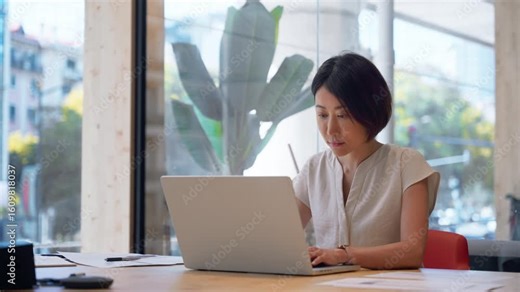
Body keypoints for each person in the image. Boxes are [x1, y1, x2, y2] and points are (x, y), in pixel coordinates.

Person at [293, 52, 440, 269]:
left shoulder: (406, 164)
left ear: (369, 112)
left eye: (342, 116)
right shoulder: (314, 169)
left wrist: (344, 255)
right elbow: (278, 239)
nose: (330, 130)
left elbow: (412, 252)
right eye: (323, 115)